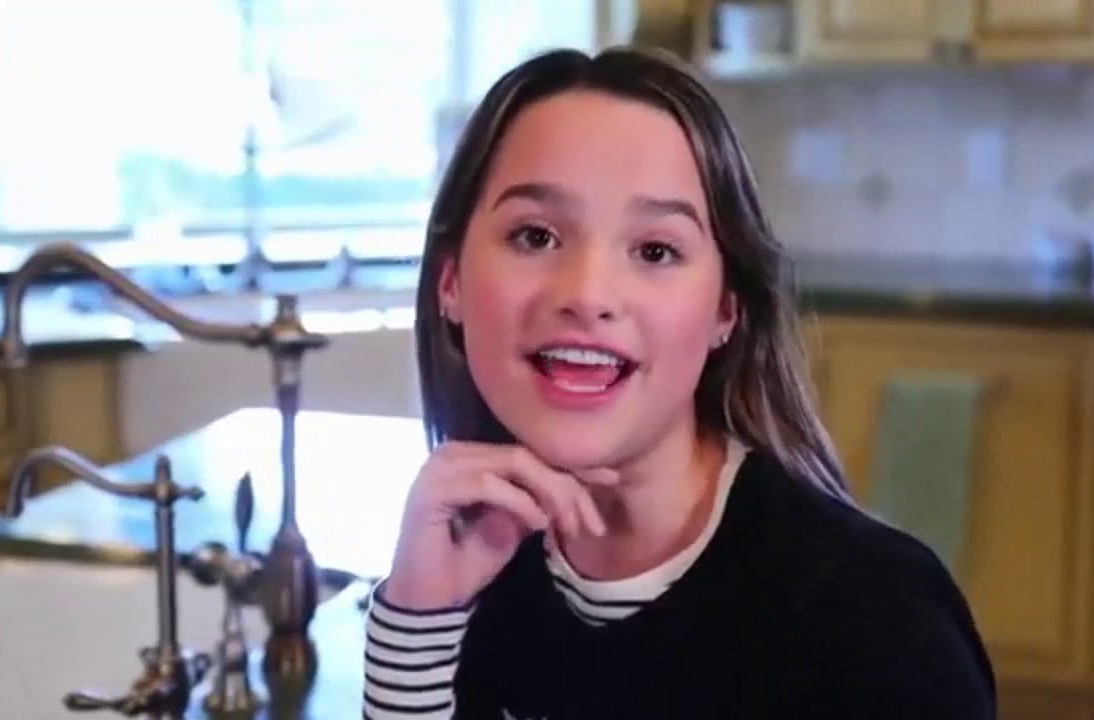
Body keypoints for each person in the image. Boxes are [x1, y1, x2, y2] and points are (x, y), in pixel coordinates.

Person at [362, 46, 997, 719]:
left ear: (726, 310)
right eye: (535, 236)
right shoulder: (459, 574)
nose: (588, 295)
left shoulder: (879, 621)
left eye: (655, 250)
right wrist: (416, 625)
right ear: (451, 282)